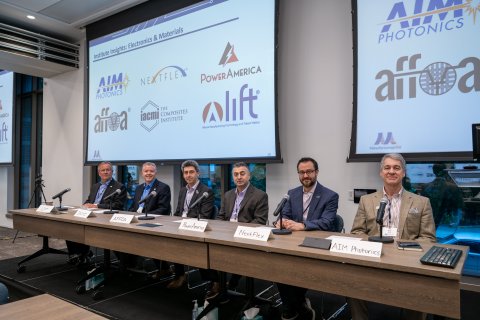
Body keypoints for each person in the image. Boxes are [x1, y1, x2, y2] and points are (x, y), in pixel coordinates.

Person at [350, 153, 436, 320]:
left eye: (396, 168)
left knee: (421, 290)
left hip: (407, 263)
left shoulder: (421, 202)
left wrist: (402, 252)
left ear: (403, 173)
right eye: (387, 167)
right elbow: (357, 232)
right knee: (351, 282)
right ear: (381, 172)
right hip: (373, 260)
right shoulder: (366, 201)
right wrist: (373, 249)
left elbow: (428, 238)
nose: (391, 171)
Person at [274, 157, 338, 320]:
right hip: (291, 242)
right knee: (278, 265)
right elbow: (286, 214)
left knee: (299, 269)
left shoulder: (330, 195)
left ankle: (291, 306)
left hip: (314, 243)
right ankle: (298, 304)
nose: (305, 175)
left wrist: (302, 225)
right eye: (302, 172)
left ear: (316, 172)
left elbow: (327, 222)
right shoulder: (291, 193)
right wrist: (282, 221)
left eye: (309, 171)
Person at [214, 162, 268, 296]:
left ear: (249, 176)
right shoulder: (227, 195)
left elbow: (259, 221)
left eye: (242, 174)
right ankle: (217, 282)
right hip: (227, 234)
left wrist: (238, 232)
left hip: (246, 237)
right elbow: (221, 216)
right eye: (236, 174)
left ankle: (232, 282)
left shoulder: (259, 195)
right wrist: (217, 230)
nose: (239, 177)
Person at [66, 161, 127, 265]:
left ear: (112, 172)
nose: (105, 172)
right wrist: (85, 205)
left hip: (105, 218)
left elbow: (118, 206)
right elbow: (89, 200)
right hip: (90, 215)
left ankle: (85, 254)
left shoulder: (119, 187)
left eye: (108, 170)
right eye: (103, 170)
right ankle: (80, 253)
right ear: (99, 173)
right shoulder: (95, 186)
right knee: (71, 226)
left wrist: (96, 206)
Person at [167, 160, 214, 289]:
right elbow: (178, 211)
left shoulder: (206, 191)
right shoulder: (183, 191)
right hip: (180, 226)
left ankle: (212, 281)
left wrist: (184, 222)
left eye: (191, 172)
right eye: (186, 173)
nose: (188, 175)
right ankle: (179, 275)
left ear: (198, 173)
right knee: (170, 242)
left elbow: (204, 216)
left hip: (195, 228)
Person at [119, 162, 172, 276]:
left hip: (154, 222)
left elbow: (163, 209)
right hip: (137, 220)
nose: (148, 173)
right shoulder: (139, 188)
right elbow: (134, 206)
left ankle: (163, 268)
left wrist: (143, 217)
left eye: (151, 171)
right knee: (120, 235)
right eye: (146, 171)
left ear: (155, 172)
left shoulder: (163, 188)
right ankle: (129, 264)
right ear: (142, 173)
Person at [421, 163, 463, 229]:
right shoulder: (453, 187)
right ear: (445, 171)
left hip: (428, 222)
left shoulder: (425, 187)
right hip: (447, 223)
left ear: (433, 171)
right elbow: (459, 206)